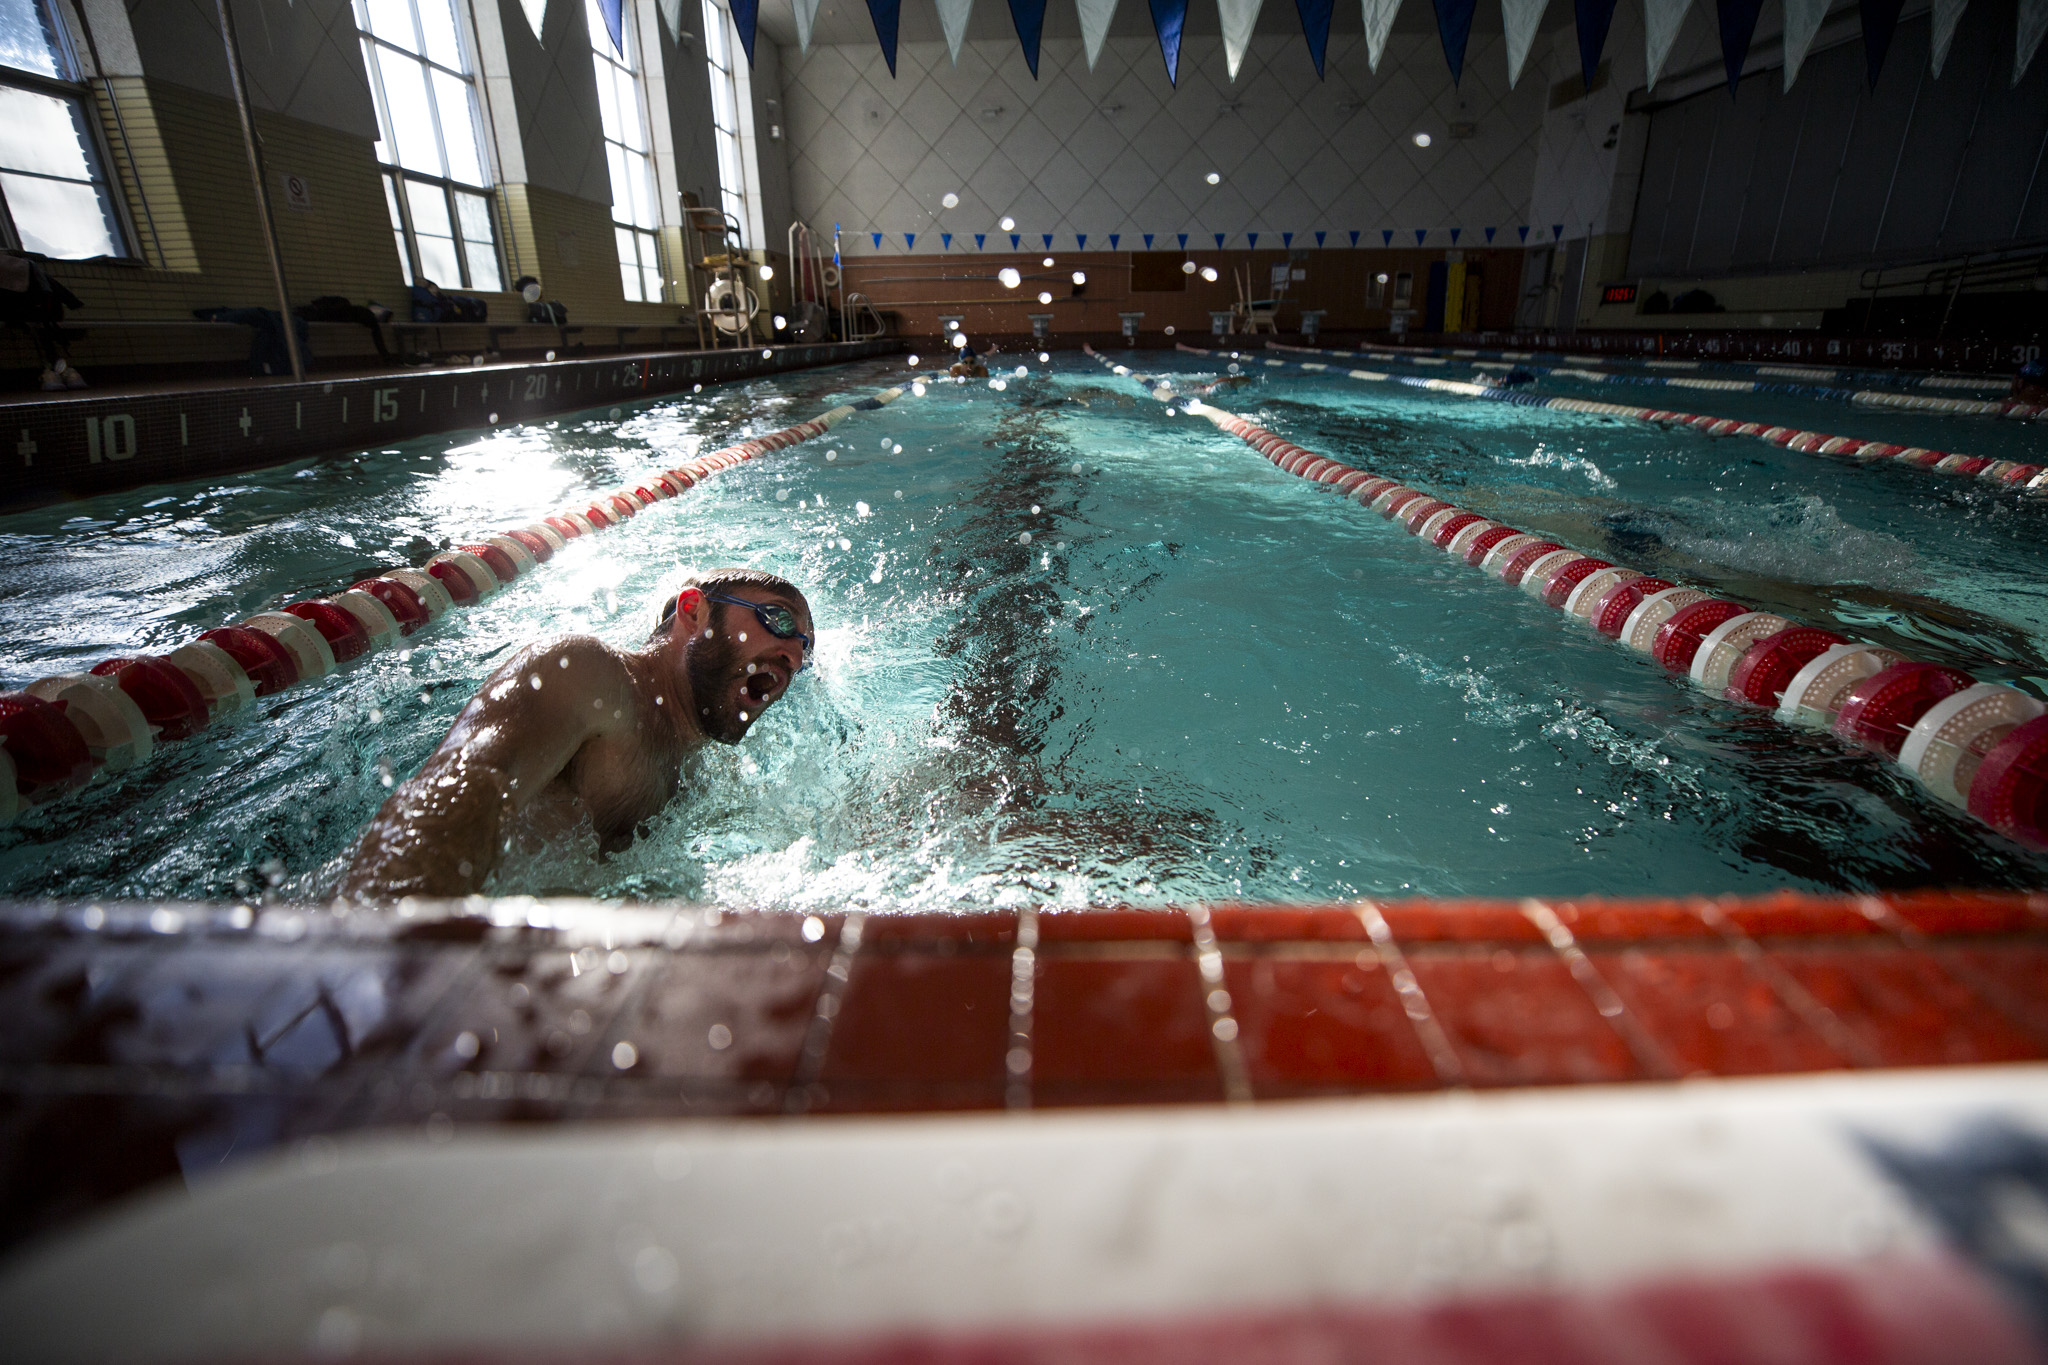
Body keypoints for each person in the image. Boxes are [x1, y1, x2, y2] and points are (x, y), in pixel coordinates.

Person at [338, 569, 813, 899]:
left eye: (804, 649)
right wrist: (395, 955)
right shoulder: (588, 677)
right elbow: (454, 795)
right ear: (694, 611)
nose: (793, 655)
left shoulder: (703, 773)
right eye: (780, 620)